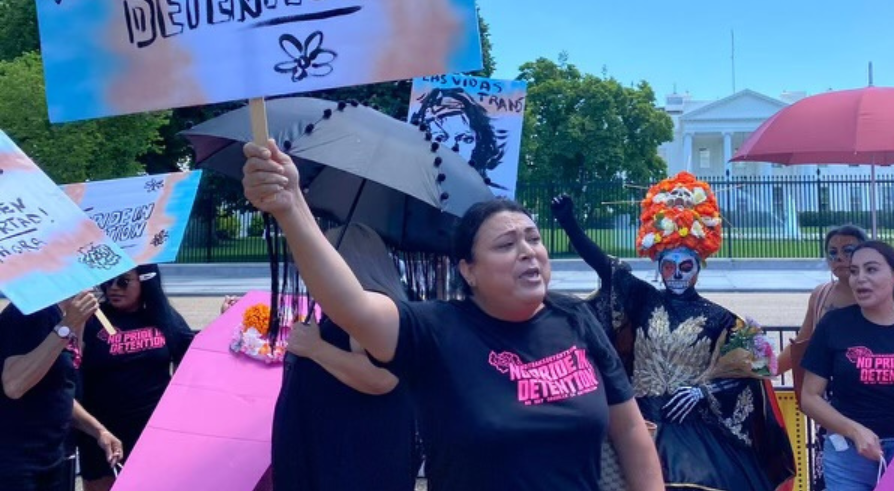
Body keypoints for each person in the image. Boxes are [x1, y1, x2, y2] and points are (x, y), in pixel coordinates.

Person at [241, 139, 664, 491]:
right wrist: (290, 206)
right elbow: (352, 306)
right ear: (469, 270)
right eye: (505, 244)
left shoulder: (575, 318)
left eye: (533, 238)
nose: (528, 251)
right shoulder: (438, 330)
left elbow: (629, 433)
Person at [551, 173, 795, 491]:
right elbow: (604, 266)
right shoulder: (641, 299)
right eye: (668, 266)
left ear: (698, 267)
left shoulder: (722, 318)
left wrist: (703, 393)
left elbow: (758, 373)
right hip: (640, 425)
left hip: (697, 436)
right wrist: (570, 224)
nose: (676, 274)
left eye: (685, 267)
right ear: (659, 266)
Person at [271, 223, 420, 491]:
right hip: (342, 451)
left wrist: (315, 348)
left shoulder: (371, 308)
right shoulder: (357, 307)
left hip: (353, 459)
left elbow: (382, 378)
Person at [800, 241, 894, 491]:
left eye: (871, 269)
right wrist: (855, 431)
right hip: (848, 452)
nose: (859, 279)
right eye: (855, 271)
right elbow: (809, 397)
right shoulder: (834, 325)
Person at [776, 226, 894, 491]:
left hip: (891, 415)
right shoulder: (821, 296)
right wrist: (764, 367)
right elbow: (802, 345)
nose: (839, 257)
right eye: (832, 252)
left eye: (848, 250)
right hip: (834, 411)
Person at [78, 266, 195, 491]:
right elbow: (73, 367)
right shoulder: (91, 319)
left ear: (145, 282)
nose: (113, 288)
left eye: (124, 281)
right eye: (109, 280)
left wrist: (225, 317)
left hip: (152, 431)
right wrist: (78, 322)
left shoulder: (164, 317)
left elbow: (195, 356)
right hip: (103, 432)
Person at [0, 292, 123, 491]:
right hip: (16, 463)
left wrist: (98, 430)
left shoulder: (64, 316)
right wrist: (66, 327)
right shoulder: (30, 313)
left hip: (51, 458)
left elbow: (58, 390)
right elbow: (14, 385)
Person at [409, 86, 509, 191]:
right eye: (440, 138)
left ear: (478, 144)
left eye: (466, 139)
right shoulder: (410, 188)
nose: (454, 148)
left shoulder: (490, 199)